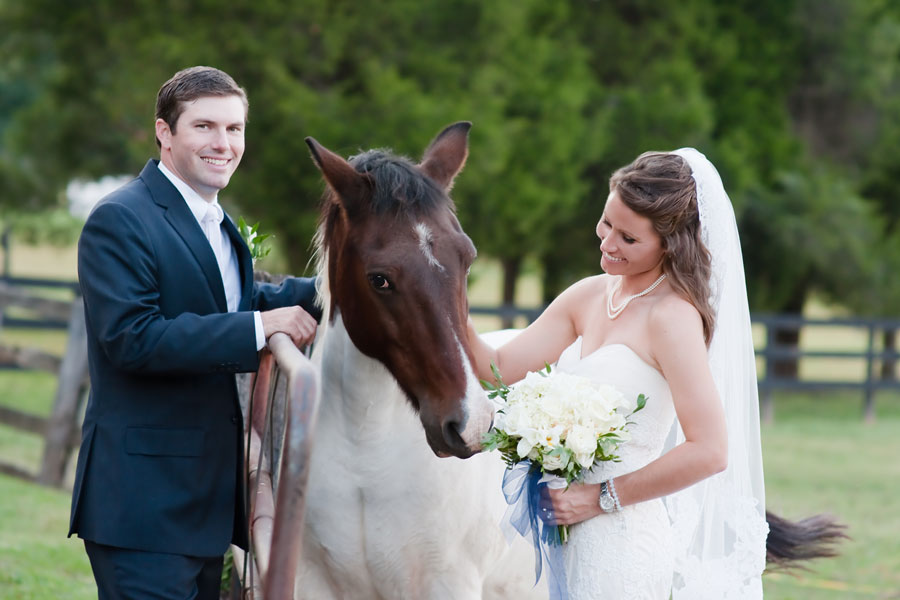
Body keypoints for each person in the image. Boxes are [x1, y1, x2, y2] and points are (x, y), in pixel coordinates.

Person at [467, 148, 769, 598]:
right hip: (559, 538)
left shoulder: (672, 318)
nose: (608, 243)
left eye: (629, 239)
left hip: (620, 545)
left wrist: (597, 498)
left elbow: (710, 450)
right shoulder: (589, 295)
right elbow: (498, 369)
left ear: (671, 244)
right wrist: (447, 301)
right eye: (607, 223)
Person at [68, 66, 321, 599]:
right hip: (143, 504)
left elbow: (235, 301)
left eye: (234, 129)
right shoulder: (121, 219)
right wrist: (258, 327)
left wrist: (349, 284)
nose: (223, 144)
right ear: (164, 131)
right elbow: (133, 338)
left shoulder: (216, 221)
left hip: (202, 507)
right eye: (205, 126)